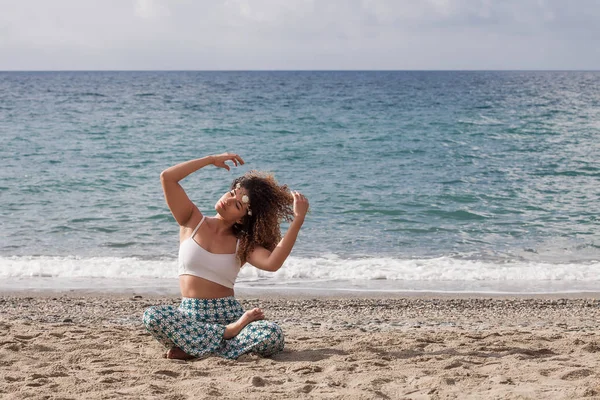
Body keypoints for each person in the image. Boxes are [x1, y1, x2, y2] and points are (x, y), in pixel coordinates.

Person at [142, 153, 309, 360]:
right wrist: (210, 160)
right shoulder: (192, 220)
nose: (228, 201)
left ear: (242, 219)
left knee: (272, 335)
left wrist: (298, 220)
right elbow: (167, 177)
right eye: (231, 193)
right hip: (190, 317)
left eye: (237, 205)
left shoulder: (243, 244)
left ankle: (195, 347)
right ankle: (224, 337)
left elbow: (272, 263)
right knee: (152, 316)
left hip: (228, 314)